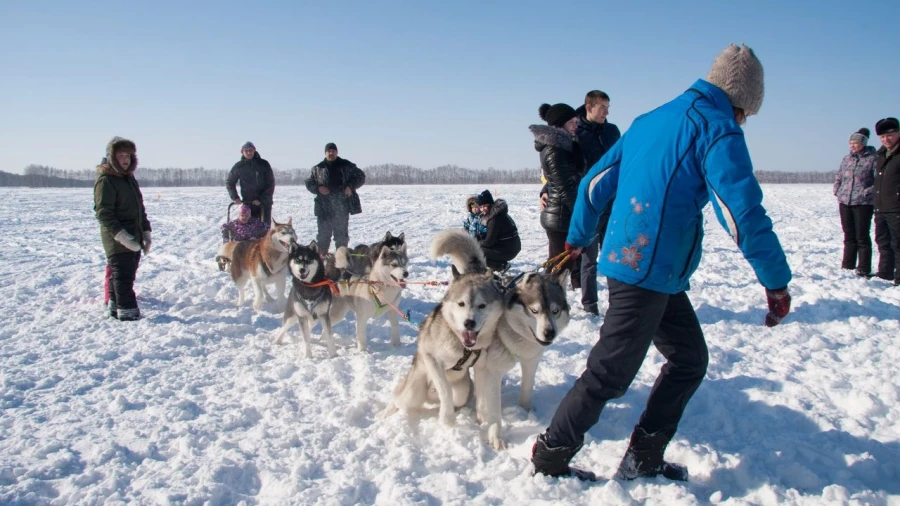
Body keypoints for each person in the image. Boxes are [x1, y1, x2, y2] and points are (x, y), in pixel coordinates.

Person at [531, 44, 793, 482]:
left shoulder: (651, 119)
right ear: (742, 101)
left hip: (649, 266)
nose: (744, 121)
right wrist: (776, 281)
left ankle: (644, 457)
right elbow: (740, 211)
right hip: (646, 271)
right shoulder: (717, 127)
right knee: (608, 375)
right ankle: (550, 455)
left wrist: (578, 238)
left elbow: (596, 182)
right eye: (748, 112)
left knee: (689, 359)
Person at [574, 90, 623, 315]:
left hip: (614, 203)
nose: (607, 112)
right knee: (589, 259)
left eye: (608, 107)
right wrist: (547, 189)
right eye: (602, 107)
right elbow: (565, 167)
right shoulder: (577, 133)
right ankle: (590, 305)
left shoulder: (613, 132)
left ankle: (618, 304)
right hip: (591, 205)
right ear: (589, 107)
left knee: (614, 256)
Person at [94, 137, 152, 321]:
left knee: (126, 273)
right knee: (122, 277)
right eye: (121, 155)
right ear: (111, 157)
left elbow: (139, 208)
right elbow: (104, 213)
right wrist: (121, 236)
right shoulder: (107, 181)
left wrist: (146, 231)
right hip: (117, 238)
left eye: (128, 155)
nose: (125, 159)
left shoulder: (129, 179)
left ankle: (114, 306)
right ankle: (128, 313)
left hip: (134, 235)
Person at [531, 103, 584, 288]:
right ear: (560, 124)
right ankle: (545, 304)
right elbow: (564, 187)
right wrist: (581, 215)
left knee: (560, 267)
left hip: (561, 214)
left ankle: (549, 302)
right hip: (560, 216)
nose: (575, 125)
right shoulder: (555, 150)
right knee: (557, 271)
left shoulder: (564, 146)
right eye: (571, 122)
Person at [304, 142, 366, 254]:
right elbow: (308, 182)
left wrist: (350, 187)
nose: (331, 153)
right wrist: (318, 188)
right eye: (328, 151)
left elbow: (361, 176)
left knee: (341, 238)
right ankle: (322, 262)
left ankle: (341, 264)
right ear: (325, 153)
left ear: (337, 152)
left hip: (341, 208)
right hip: (324, 209)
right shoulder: (317, 168)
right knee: (323, 238)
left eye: (333, 150)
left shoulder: (346, 165)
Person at [833, 128, 877, 277]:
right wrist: (837, 190)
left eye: (855, 143)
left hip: (863, 203)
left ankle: (864, 269)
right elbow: (839, 176)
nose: (852, 145)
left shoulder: (873, 159)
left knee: (862, 236)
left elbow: (878, 180)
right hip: (845, 201)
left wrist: (867, 192)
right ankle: (848, 266)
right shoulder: (847, 159)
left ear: (863, 143)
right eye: (850, 142)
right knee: (848, 235)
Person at [873, 117, 900, 286]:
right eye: (882, 137)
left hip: (896, 207)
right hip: (881, 206)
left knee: (898, 244)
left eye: (889, 135)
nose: (885, 139)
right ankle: (885, 273)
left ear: (897, 133)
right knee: (882, 241)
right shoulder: (881, 154)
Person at [226, 141, 275, 223]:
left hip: (264, 203)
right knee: (249, 230)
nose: (249, 152)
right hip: (248, 203)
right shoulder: (239, 166)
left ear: (254, 150)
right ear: (242, 152)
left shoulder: (264, 164)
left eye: (251, 150)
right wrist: (235, 197)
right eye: (246, 150)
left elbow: (270, 184)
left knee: (265, 230)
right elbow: (229, 182)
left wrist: (261, 199)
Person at [474, 190, 521, 271]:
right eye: (481, 207)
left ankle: (501, 267)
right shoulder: (499, 214)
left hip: (509, 250)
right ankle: (502, 264)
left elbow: (489, 242)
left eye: (485, 206)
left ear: (491, 204)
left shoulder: (494, 219)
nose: (482, 209)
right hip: (512, 246)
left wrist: (476, 242)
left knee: (476, 251)